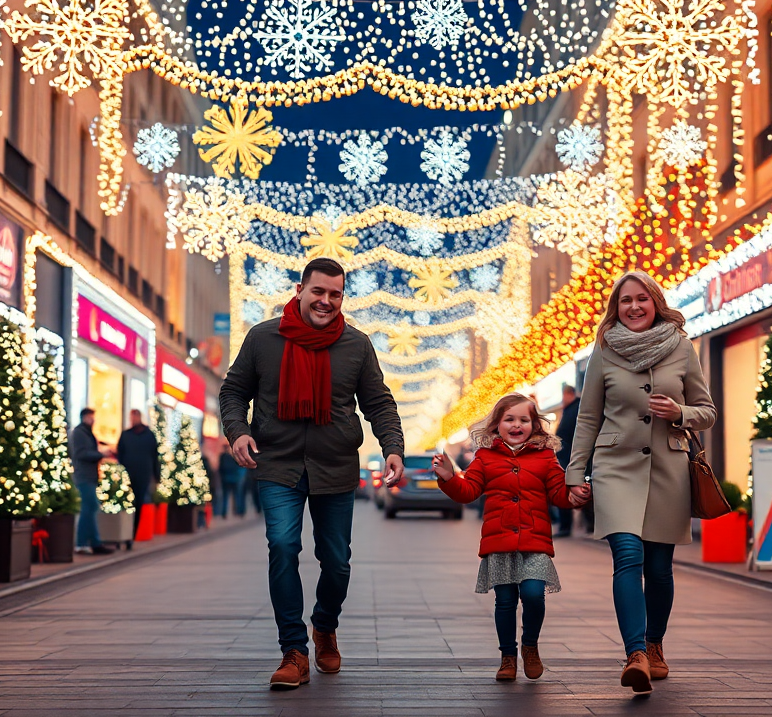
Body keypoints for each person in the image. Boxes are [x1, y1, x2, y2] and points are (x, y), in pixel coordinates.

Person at [219, 257, 407, 690]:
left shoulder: (356, 345)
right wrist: (238, 432)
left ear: (343, 296)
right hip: (278, 464)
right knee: (283, 546)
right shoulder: (264, 338)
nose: (326, 301)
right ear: (300, 289)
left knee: (337, 562)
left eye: (335, 294)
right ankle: (294, 651)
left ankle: (324, 625)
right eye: (318, 291)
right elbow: (234, 391)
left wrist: (392, 448)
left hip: (336, 466)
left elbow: (379, 402)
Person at [565, 271, 716, 694]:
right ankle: (635, 654)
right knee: (627, 555)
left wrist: (680, 412)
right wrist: (575, 473)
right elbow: (588, 417)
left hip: (668, 468)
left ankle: (655, 644)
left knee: (660, 568)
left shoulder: (682, 347)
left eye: (642, 299)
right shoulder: (605, 351)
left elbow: (707, 410)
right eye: (625, 300)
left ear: (655, 303)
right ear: (616, 307)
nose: (633, 307)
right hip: (615, 467)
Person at [433, 393, 580, 682]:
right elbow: (468, 492)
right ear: (497, 425)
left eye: (524, 419)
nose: (517, 425)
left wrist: (576, 496)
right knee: (505, 601)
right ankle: (507, 657)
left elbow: (559, 494)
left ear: (534, 424)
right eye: (509, 419)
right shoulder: (485, 457)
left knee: (535, 596)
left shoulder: (546, 457)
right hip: (499, 542)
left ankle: (530, 647)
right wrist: (449, 478)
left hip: (535, 542)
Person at [69, 408, 116, 555]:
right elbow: (80, 454)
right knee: (89, 507)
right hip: (84, 476)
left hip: (89, 475)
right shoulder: (80, 433)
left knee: (91, 507)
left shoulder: (86, 433)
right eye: (91, 417)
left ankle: (94, 543)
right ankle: (83, 543)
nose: (93, 420)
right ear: (84, 417)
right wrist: (100, 454)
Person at [117, 409, 161, 540]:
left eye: (134, 417)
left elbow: (154, 457)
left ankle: (132, 534)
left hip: (143, 474)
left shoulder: (149, 435)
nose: (133, 420)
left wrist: (156, 476)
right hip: (127, 475)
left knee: (139, 503)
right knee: (128, 503)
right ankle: (127, 533)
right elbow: (121, 454)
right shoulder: (126, 435)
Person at [554, 384, 580, 538]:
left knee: (564, 491)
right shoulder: (569, 409)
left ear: (569, 394)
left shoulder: (574, 409)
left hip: (569, 458)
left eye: (564, 395)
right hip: (566, 457)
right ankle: (565, 525)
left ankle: (566, 526)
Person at [217, 440, 246, 518]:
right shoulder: (234, 456)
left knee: (225, 496)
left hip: (225, 479)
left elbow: (220, 469)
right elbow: (239, 466)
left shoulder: (222, 456)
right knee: (237, 496)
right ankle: (239, 511)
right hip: (235, 479)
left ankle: (224, 513)